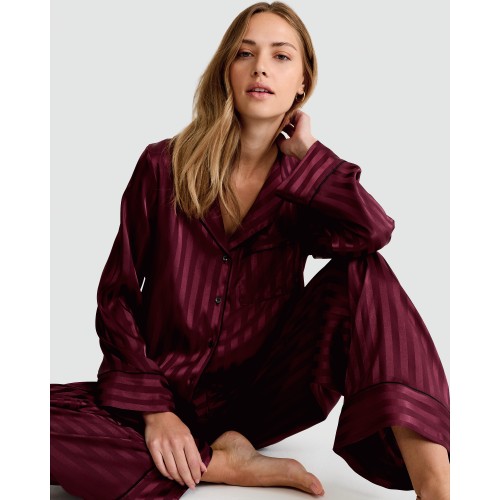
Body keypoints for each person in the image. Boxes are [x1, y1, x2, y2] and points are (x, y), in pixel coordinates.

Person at [50, 2, 450, 499]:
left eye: (281, 56)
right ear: (227, 70)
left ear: (302, 82)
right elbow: (116, 297)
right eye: (245, 53)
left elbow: (372, 232)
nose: (261, 67)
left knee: (366, 272)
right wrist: (155, 411)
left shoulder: (304, 185)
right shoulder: (161, 167)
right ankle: (221, 464)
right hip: (161, 391)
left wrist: (310, 157)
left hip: (261, 398)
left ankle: (437, 485)